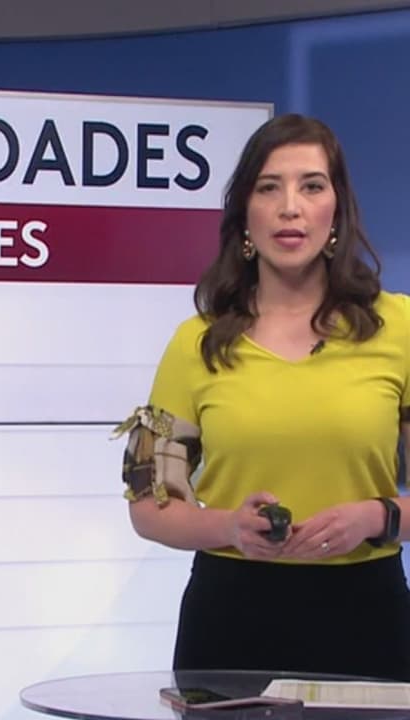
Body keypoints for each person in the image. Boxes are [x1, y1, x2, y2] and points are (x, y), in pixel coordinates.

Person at [117, 113, 410, 681]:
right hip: (230, 617)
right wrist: (230, 528)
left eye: (311, 186)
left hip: (367, 616)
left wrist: (378, 517)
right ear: (245, 214)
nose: (290, 207)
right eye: (269, 187)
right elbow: (147, 507)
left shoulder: (398, 328)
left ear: (337, 211)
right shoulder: (195, 343)